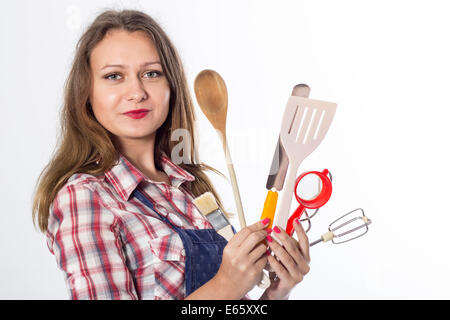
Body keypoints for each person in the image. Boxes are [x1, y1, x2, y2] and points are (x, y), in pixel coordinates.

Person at [32, 9, 310, 300]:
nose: (137, 91)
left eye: (151, 73)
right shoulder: (85, 198)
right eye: (114, 76)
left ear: (171, 87)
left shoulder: (189, 189)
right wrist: (227, 284)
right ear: (86, 93)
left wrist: (276, 292)